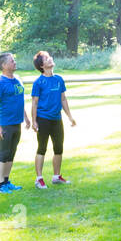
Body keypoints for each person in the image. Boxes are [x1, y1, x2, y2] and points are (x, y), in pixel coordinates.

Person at [30, 49, 76, 189]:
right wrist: (34, 121)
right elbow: (35, 103)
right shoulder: (38, 82)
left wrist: (70, 117)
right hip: (43, 119)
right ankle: (39, 179)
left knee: (58, 148)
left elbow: (63, 99)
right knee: (42, 148)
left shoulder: (59, 79)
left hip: (57, 119)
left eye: (50, 57)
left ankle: (56, 176)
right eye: (46, 58)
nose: (50, 59)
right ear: (42, 66)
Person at [0, 52, 30, 193]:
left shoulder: (17, 79)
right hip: (5, 124)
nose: (15, 62)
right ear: (4, 65)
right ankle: (1, 185)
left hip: (17, 122)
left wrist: (25, 117)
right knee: (3, 153)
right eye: (12, 61)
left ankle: (7, 181)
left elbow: (19, 100)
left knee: (12, 153)